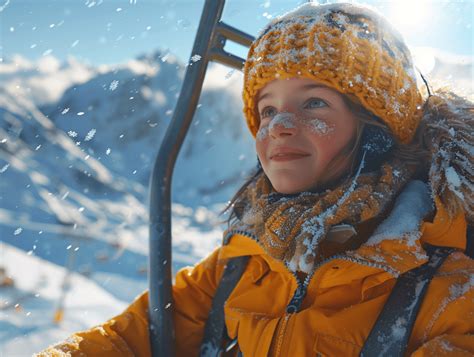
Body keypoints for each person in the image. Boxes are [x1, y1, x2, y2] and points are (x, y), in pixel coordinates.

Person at [37, 2, 473, 356]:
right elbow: (125, 341)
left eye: (315, 103)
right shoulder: (243, 261)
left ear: (375, 130)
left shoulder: (445, 287)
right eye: (267, 110)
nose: (280, 124)